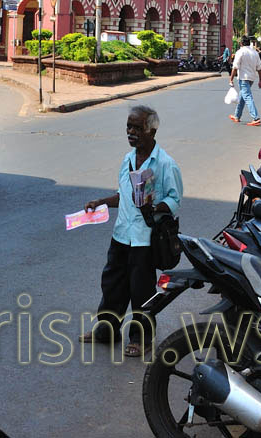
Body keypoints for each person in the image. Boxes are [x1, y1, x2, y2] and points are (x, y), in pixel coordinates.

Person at [81, 105, 182, 358]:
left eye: (137, 128)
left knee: (141, 291)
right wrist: (101, 202)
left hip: (144, 239)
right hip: (121, 234)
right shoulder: (127, 159)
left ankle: (141, 338)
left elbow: (174, 198)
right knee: (112, 285)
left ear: (152, 130)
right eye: (129, 127)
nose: (131, 132)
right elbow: (123, 196)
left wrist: (155, 206)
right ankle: (107, 330)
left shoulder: (165, 164)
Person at [229, 35, 261, 126]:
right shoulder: (255, 53)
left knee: (247, 96)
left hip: (243, 78)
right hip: (252, 78)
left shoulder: (240, 52)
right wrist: (260, 80)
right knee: (242, 96)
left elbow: (235, 67)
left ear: (241, 43)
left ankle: (256, 118)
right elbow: (259, 68)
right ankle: (237, 116)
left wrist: (231, 79)